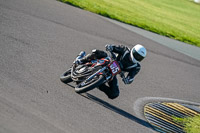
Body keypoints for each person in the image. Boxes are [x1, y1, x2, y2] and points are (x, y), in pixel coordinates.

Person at [75, 44, 147, 99]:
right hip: (108, 61)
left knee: (114, 94)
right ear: (133, 51)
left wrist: (128, 80)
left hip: (112, 73)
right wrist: (110, 47)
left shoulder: (136, 67)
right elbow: (116, 48)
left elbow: (131, 76)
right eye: (136, 55)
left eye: (140, 57)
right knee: (98, 52)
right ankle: (81, 60)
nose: (137, 58)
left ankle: (97, 84)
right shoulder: (125, 50)